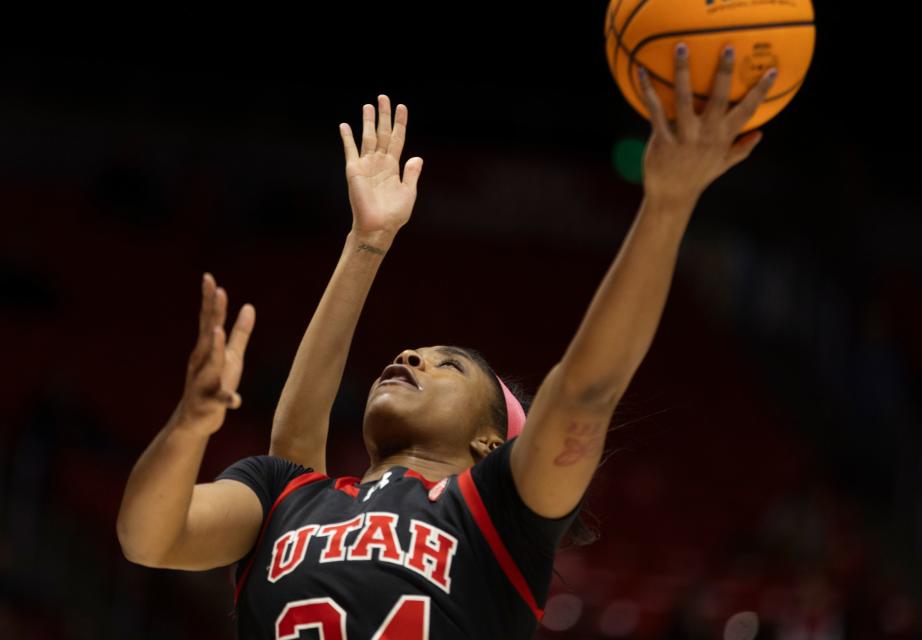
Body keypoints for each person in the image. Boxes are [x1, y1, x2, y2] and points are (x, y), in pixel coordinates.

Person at [116, 43, 776, 639]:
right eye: (414, 353)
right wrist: (188, 427)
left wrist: (668, 202)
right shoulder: (285, 494)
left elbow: (586, 390)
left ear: (491, 443)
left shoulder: (498, 514)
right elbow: (149, 537)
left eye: (448, 365)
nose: (408, 357)